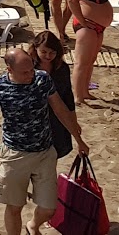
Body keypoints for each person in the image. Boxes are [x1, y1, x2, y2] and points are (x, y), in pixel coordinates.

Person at [0, 48, 87, 235]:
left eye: (31, 69)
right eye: (25, 72)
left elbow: (60, 109)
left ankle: (33, 225)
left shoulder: (42, 79)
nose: (30, 75)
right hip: (14, 154)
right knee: (14, 207)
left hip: (44, 152)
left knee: (49, 208)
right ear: (9, 69)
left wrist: (79, 140)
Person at [65, 0, 114, 104]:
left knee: (90, 60)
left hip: (96, 25)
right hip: (87, 25)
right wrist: (82, 20)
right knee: (81, 62)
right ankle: (78, 97)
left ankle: (85, 91)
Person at [31, 31, 77, 160]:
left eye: (52, 52)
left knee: (54, 151)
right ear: (36, 48)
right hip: (35, 115)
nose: (48, 56)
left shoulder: (61, 68)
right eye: (44, 52)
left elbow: (68, 95)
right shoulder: (28, 67)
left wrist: (73, 120)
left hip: (57, 115)